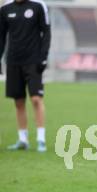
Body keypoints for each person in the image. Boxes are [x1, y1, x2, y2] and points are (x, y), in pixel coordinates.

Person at [0, 0, 51, 152]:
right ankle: (23, 140)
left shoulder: (38, 5)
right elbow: (1, 37)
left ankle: (41, 139)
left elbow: (46, 32)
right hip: (13, 61)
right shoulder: (6, 8)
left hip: (33, 61)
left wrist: (44, 57)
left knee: (36, 99)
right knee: (19, 101)